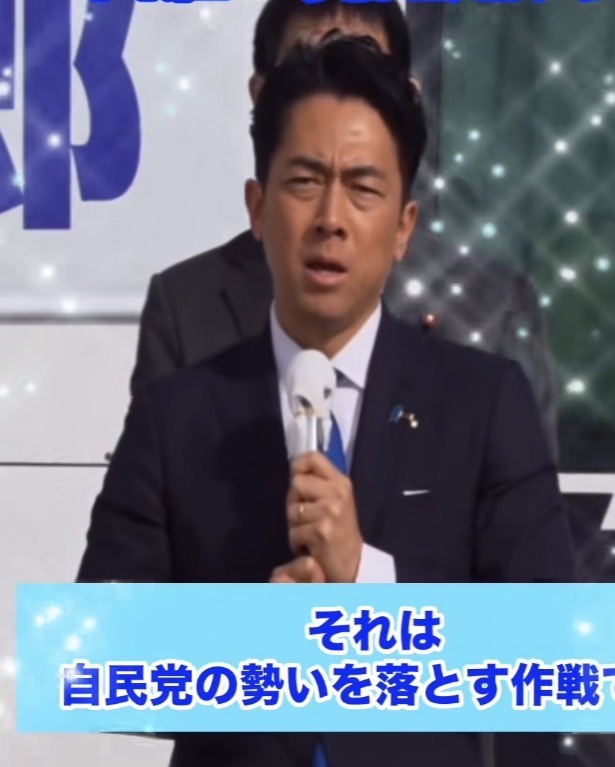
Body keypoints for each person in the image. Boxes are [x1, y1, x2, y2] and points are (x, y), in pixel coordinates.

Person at [78, 36, 574, 766]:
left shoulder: (485, 403)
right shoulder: (177, 415)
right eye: (305, 182)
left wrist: (370, 585)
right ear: (257, 208)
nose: (331, 218)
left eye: (363, 188)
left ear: (403, 228)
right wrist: (256, 644)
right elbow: (98, 658)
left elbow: (552, 650)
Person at [129, 0, 559, 454]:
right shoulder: (186, 310)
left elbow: (523, 493)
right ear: (261, 95)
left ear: (408, 100)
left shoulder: (490, 309)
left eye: (363, 67)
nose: (335, 91)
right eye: (307, 65)